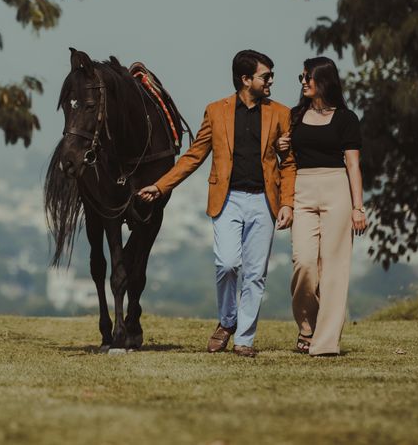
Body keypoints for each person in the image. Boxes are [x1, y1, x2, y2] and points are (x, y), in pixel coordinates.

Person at [138, 50, 296, 357]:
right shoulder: (216, 111)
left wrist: (287, 203)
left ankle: (245, 340)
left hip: (265, 202)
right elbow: (194, 156)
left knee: (255, 274)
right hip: (227, 200)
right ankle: (227, 321)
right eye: (266, 76)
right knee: (226, 264)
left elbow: (288, 163)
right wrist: (160, 186)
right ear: (246, 79)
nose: (271, 81)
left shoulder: (281, 113)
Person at [275, 56, 365, 357]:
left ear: (323, 80)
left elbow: (353, 165)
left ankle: (325, 344)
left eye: (307, 77)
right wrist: (281, 147)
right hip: (302, 189)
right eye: (301, 77)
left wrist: (358, 207)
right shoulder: (295, 115)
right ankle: (307, 327)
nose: (302, 82)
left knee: (334, 270)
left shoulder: (346, 118)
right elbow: (286, 158)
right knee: (304, 263)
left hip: (336, 188)